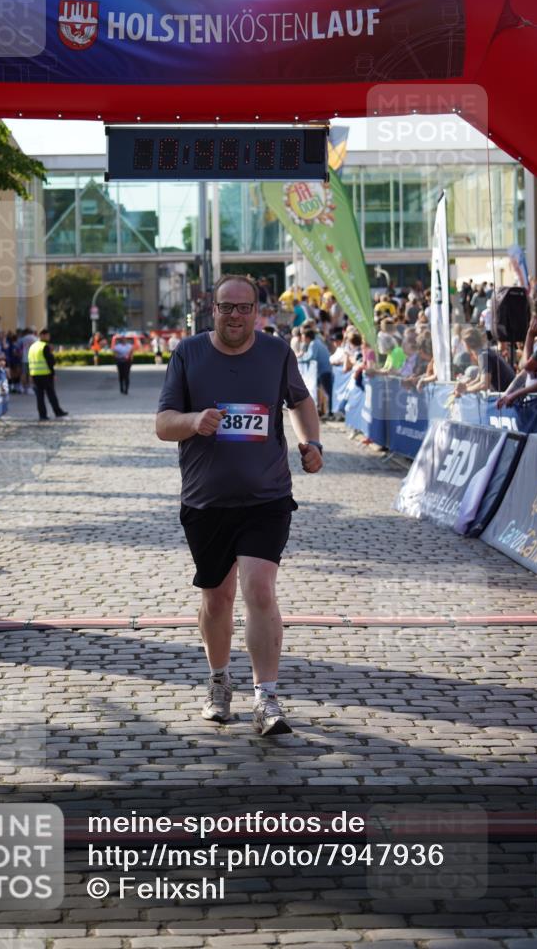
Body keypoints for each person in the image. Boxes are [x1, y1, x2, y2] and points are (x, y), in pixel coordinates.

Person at [156, 274, 323, 736]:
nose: (235, 315)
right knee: (217, 598)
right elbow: (163, 424)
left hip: (266, 496)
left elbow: (301, 401)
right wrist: (194, 420)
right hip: (205, 501)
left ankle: (266, 697)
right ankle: (218, 682)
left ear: (258, 311)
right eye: (226, 307)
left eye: (243, 307)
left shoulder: (276, 353)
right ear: (213, 310)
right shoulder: (188, 354)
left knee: (260, 589)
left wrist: (312, 442)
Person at [27, 328, 68, 421]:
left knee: (39, 396)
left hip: (34, 374)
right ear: (43, 335)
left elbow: (30, 361)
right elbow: (51, 361)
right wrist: (53, 374)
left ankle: (42, 415)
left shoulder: (33, 346)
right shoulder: (44, 346)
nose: (49, 337)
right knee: (51, 394)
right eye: (48, 335)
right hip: (45, 374)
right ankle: (57, 411)